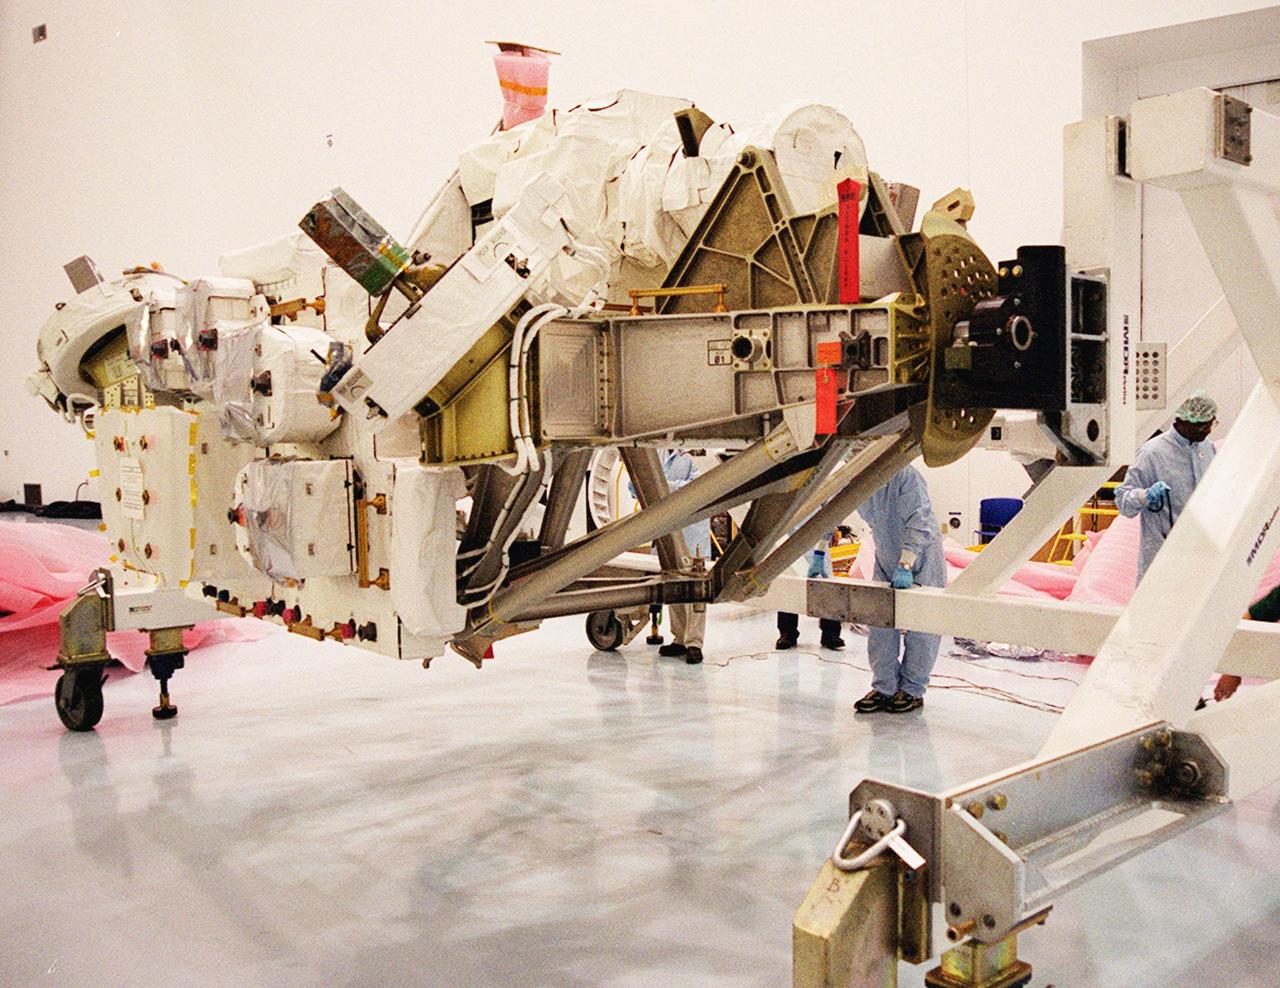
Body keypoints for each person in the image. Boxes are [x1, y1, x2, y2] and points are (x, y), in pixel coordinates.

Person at [853, 465, 945, 714]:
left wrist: (906, 561)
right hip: (884, 552)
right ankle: (884, 687)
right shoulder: (859, 477)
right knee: (880, 624)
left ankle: (913, 690)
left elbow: (920, 518)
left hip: (921, 555)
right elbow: (829, 512)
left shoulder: (905, 476)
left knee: (922, 624)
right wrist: (820, 551)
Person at [1114, 391, 1218, 583]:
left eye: (1211, 423)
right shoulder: (1152, 453)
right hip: (1162, 555)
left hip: (1200, 555)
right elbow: (1123, 501)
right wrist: (1144, 496)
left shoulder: (1208, 448)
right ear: (1181, 421)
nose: (1208, 431)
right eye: (1201, 426)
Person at [649, 450, 711, 665]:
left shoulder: (696, 452)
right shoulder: (655, 452)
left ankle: (694, 643)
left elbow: (700, 486)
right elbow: (634, 486)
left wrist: (663, 487)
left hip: (692, 532)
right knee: (672, 586)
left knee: (695, 590)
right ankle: (679, 638)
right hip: (665, 530)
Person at [777, 531, 845, 651]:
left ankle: (831, 634)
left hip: (818, 541)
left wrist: (829, 533)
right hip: (789, 539)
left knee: (826, 587)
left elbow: (828, 515)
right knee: (789, 585)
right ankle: (787, 633)